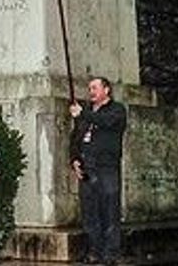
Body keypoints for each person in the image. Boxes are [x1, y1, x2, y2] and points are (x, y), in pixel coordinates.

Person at [69, 77, 127, 264]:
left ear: (106, 90)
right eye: (89, 88)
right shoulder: (86, 113)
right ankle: (94, 251)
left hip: (106, 168)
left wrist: (83, 115)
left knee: (109, 210)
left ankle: (111, 253)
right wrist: (75, 160)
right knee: (90, 213)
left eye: (95, 87)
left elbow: (107, 122)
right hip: (87, 166)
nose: (91, 91)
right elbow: (75, 138)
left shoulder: (116, 110)